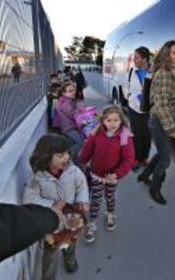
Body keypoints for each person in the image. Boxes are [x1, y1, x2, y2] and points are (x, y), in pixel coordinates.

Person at [23, 133, 89, 278]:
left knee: (71, 242)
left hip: (71, 218)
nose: (66, 157)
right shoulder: (38, 178)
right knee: (50, 251)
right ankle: (49, 276)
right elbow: (29, 198)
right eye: (60, 155)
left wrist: (82, 200)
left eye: (67, 153)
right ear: (46, 157)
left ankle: (69, 258)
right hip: (51, 222)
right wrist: (51, 204)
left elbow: (82, 185)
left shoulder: (73, 171)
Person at [137, 40, 175, 205]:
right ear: (166, 54)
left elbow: (168, 99)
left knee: (162, 153)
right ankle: (154, 189)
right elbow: (161, 104)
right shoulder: (165, 72)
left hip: (163, 118)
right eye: (174, 52)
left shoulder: (174, 70)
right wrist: (171, 129)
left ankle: (144, 175)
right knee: (166, 159)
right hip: (160, 120)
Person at [79, 105, 135, 242]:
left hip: (112, 177)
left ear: (121, 120)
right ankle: (92, 223)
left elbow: (129, 159)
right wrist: (82, 161)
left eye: (116, 120)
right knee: (96, 199)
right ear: (103, 121)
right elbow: (88, 148)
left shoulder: (124, 136)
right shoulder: (97, 132)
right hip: (96, 174)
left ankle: (110, 214)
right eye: (109, 120)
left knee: (110, 196)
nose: (113, 123)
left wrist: (117, 174)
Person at [0, 197, 59, 275]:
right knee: (50, 254)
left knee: (68, 246)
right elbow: (29, 198)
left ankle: (69, 256)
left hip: (65, 221)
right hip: (50, 225)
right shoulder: (36, 181)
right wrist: (52, 210)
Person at [125, 46, 152, 171]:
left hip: (147, 110)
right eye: (134, 57)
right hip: (133, 108)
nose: (134, 60)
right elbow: (127, 87)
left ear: (145, 59)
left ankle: (144, 158)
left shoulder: (153, 72)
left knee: (146, 135)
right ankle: (136, 159)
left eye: (137, 57)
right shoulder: (132, 71)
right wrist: (130, 97)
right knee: (136, 134)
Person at [54, 81, 84, 166]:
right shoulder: (66, 102)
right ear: (64, 93)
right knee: (81, 143)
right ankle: (67, 156)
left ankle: (75, 165)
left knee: (73, 145)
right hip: (69, 128)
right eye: (70, 91)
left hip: (68, 127)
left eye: (74, 90)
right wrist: (80, 109)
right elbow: (72, 114)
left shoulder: (65, 100)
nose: (73, 92)